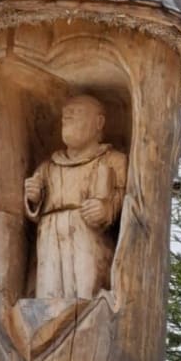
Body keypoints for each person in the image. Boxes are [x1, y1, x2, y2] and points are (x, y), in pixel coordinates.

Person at [24, 93, 127, 299]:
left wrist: (107, 209)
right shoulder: (48, 166)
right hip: (50, 236)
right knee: (49, 296)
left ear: (99, 122)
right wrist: (34, 199)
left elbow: (123, 199)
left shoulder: (114, 160)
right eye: (65, 114)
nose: (67, 117)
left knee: (87, 295)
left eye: (77, 112)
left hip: (88, 236)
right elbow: (33, 210)